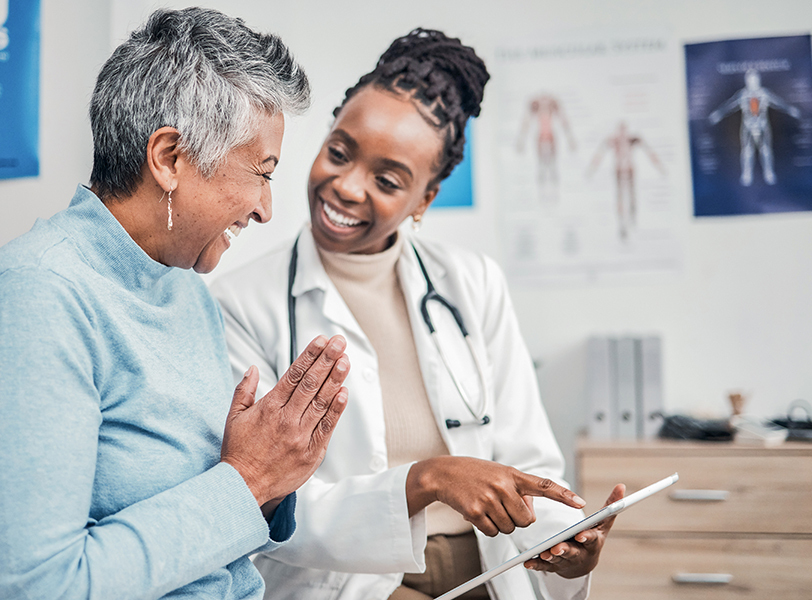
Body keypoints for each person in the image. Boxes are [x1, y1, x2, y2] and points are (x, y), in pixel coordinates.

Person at [0, 8, 351, 600]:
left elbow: (199, 526)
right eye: (261, 173)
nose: (265, 208)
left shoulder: (185, 290)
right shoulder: (33, 299)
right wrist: (247, 481)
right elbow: (32, 588)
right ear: (169, 158)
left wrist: (271, 477)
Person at [211, 29, 623, 600]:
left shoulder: (472, 283)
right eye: (339, 152)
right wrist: (424, 480)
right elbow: (263, 501)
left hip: (492, 571)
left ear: (424, 199)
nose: (346, 186)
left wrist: (563, 540)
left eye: (386, 180)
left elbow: (527, 458)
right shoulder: (239, 303)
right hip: (351, 585)